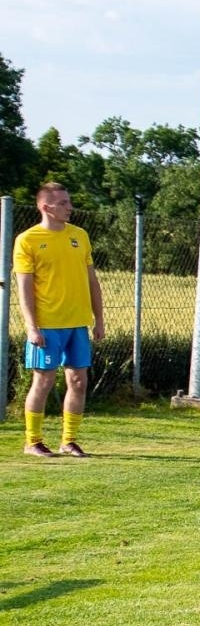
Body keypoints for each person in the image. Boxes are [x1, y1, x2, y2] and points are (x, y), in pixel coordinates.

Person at [13, 182, 105, 458]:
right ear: (45, 207)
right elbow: (24, 287)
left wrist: (98, 319)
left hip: (77, 323)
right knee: (43, 381)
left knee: (79, 381)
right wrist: (31, 326)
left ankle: (69, 440)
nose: (69, 207)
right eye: (63, 203)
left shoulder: (80, 236)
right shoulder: (27, 240)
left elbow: (92, 280)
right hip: (47, 325)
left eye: (69, 201)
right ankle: (33, 441)